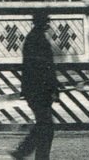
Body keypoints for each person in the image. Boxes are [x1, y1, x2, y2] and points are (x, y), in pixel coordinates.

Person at [12, 12, 59, 160]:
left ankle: (25, 152)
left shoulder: (34, 38)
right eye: (46, 22)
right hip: (39, 90)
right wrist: (52, 87)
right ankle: (28, 153)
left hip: (36, 89)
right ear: (41, 23)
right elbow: (45, 67)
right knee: (46, 127)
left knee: (44, 125)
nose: (48, 24)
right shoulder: (37, 39)